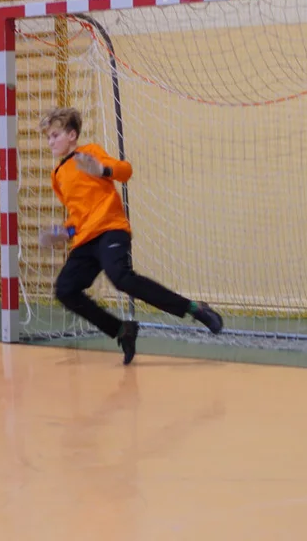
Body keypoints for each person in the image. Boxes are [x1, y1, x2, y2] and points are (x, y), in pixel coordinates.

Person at [37, 106, 224, 365]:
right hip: (85, 240)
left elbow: (125, 171)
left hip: (111, 228)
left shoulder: (90, 153)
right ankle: (121, 330)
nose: (50, 142)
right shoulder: (56, 176)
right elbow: (77, 216)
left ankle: (194, 308)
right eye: (47, 138)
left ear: (72, 135)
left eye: (55, 135)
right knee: (65, 290)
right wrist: (63, 233)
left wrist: (101, 170)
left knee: (122, 279)